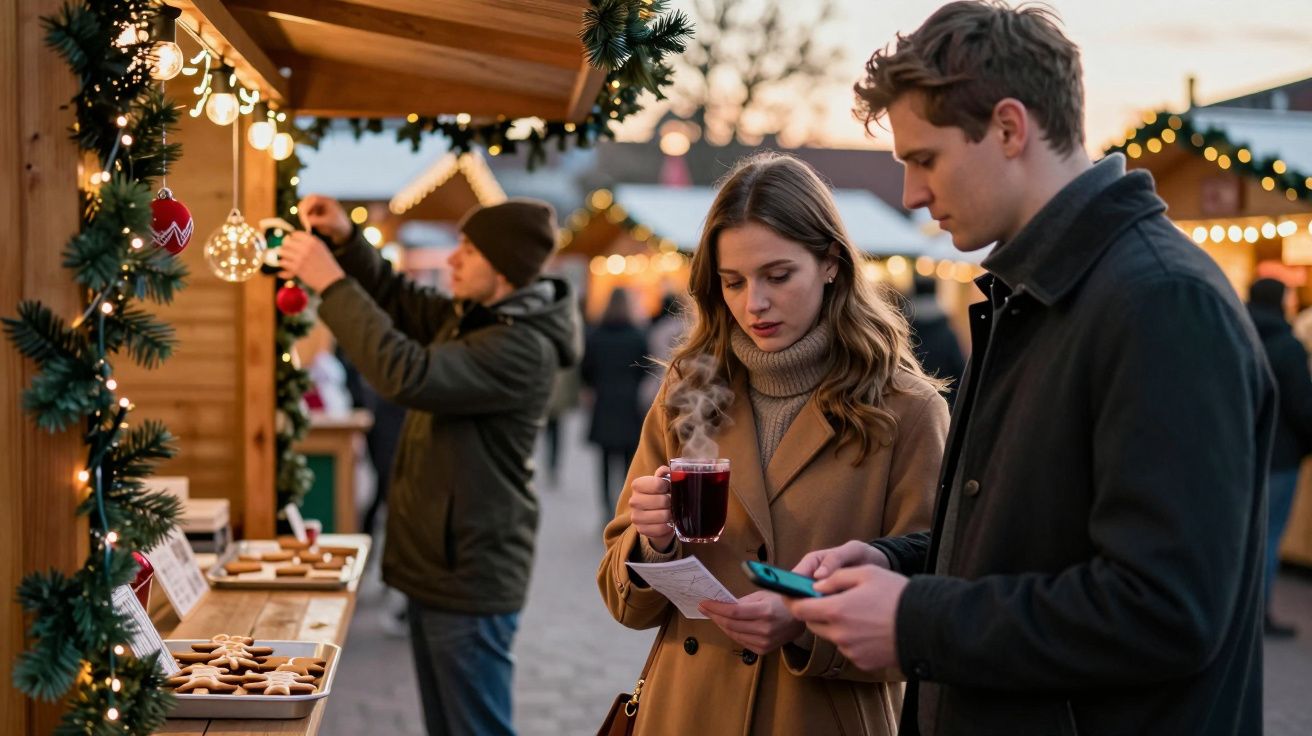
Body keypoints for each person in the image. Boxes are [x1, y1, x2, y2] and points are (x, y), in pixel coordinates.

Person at [784, 4, 1274, 735]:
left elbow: (1165, 610)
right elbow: (1024, 540)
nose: (913, 194)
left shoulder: (1159, 302)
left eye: (924, 159)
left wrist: (916, 620)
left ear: (1010, 128)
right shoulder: (1035, 293)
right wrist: (899, 567)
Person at [596, 152, 949, 735]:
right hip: (684, 712)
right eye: (733, 282)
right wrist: (650, 543)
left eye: (778, 276)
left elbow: (929, 608)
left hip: (817, 714)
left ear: (831, 263)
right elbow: (622, 601)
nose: (752, 303)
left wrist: (806, 621)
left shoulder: (906, 409)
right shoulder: (689, 389)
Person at [277, 195, 582, 736]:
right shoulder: (476, 319)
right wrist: (349, 242)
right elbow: (399, 299)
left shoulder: (520, 346)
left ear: (505, 267)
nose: (452, 261)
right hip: (440, 567)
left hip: (469, 575)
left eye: (468, 250)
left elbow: (407, 373)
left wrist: (331, 283)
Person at [1247, 277, 1312, 638]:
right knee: (1268, 538)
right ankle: (1259, 615)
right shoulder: (1287, 346)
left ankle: (1239, 612)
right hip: (1280, 454)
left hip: (1241, 452)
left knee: (1245, 538)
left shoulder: (1234, 328)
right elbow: (1303, 404)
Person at [581, 287, 649, 520]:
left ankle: (606, 507)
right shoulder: (637, 335)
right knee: (631, 462)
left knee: (605, 460)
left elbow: (586, 369)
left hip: (604, 401)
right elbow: (646, 369)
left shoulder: (596, 335)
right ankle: (626, 507)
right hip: (630, 403)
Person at [905, 275, 966, 406]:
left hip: (911, 401)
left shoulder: (905, 331)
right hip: (945, 402)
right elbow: (959, 369)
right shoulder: (946, 332)